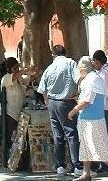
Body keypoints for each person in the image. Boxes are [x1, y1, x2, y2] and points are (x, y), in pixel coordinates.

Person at [68, 56, 108, 181]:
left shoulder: (92, 79)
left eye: (79, 68)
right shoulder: (92, 78)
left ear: (84, 68)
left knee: (96, 146)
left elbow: (88, 100)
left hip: (92, 119)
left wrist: (74, 110)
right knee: (86, 146)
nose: (78, 70)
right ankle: (86, 173)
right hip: (89, 118)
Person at [37, 44, 82, 178]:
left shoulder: (49, 68)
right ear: (65, 52)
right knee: (71, 133)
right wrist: (77, 94)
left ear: (53, 55)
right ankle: (77, 166)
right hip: (66, 102)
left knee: (57, 135)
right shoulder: (70, 63)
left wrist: (47, 102)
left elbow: (42, 89)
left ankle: (60, 165)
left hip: (52, 103)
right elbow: (78, 79)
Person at [91, 49, 108, 173]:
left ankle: (106, 165)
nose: (93, 64)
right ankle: (105, 164)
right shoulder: (105, 71)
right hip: (106, 107)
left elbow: (102, 91)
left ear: (97, 60)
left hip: (105, 108)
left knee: (104, 138)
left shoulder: (104, 73)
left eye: (94, 62)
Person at [1, 57, 30, 153]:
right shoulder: (6, 78)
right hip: (11, 113)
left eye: (18, 67)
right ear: (9, 69)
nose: (17, 70)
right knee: (11, 137)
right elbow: (14, 77)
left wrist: (33, 73)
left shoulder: (19, 78)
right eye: (15, 68)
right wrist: (24, 70)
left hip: (20, 113)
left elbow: (26, 80)